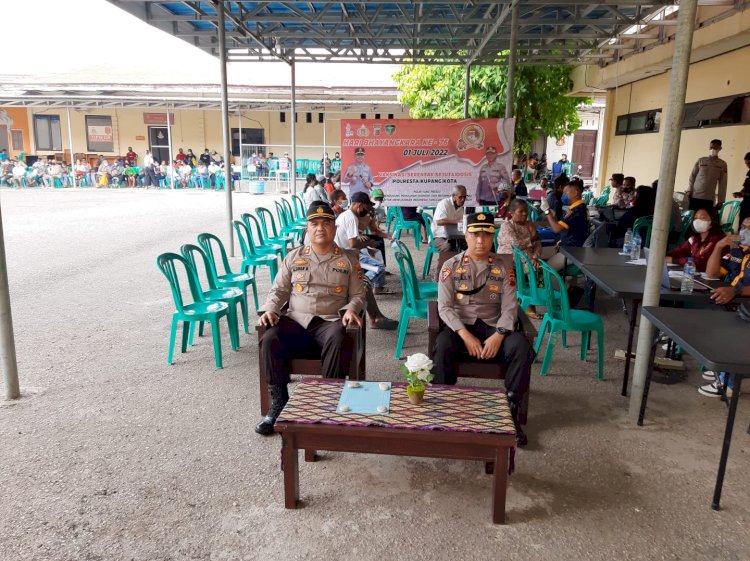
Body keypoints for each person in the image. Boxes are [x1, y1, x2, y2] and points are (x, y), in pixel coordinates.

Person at [255, 201, 366, 435]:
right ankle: (278, 405)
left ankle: (328, 402)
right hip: (297, 322)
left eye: (326, 223)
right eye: (314, 224)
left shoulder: (348, 260)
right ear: (307, 229)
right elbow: (279, 290)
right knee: (269, 337)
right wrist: (271, 309)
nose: (320, 228)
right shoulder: (294, 257)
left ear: (334, 229)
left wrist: (351, 308)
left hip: (329, 322)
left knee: (339, 335)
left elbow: (358, 294)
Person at [430, 212, 534, 446]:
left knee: (520, 346)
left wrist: (500, 334)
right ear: (466, 236)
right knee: (443, 344)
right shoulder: (451, 266)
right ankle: (440, 408)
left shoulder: (503, 268)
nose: (480, 240)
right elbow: (444, 308)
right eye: (475, 234)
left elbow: (510, 308)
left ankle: (511, 412)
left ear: (492, 237)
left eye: (486, 234)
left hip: (492, 327)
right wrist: (464, 335)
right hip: (461, 328)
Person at [697, 217, 750, 397]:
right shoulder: (738, 251)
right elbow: (712, 274)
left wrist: (735, 291)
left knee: (735, 326)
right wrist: (719, 246)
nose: (744, 231)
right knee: (706, 310)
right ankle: (722, 367)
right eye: (743, 227)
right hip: (735, 299)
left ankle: (728, 384)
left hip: (744, 303)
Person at [334, 192, 399, 328]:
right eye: (365, 207)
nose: (367, 210)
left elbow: (359, 237)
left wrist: (367, 242)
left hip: (346, 255)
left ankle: (375, 317)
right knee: (378, 269)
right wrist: (368, 244)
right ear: (359, 205)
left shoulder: (347, 215)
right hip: (345, 257)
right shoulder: (351, 217)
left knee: (365, 282)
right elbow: (353, 244)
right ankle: (363, 287)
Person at [541, 178, 589, 271]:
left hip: (571, 252)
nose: (563, 196)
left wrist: (547, 211)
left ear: (575, 193)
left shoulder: (577, 211)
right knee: (539, 254)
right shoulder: (579, 208)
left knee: (547, 269)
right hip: (568, 247)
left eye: (565, 193)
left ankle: (566, 286)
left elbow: (556, 229)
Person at [687, 139, 728, 211]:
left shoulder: (722, 164)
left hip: (708, 198)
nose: (713, 149)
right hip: (695, 196)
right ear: (709, 147)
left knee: (706, 219)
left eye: (715, 148)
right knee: (693, 218)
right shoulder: (701, 160)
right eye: (711, 147)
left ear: (720, 149)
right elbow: (692, 176)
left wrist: (721, 200)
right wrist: (689, 190)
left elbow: (723, 183)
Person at [432, 185, 467, 254]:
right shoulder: (444, 204)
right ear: (454, 196)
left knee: (472, 243)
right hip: (438, 236)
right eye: (460, 197)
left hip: (453, 237)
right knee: (448, 246)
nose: (463, 200)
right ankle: (444, 264)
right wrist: (458, 221)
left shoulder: (460, 208)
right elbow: (439, 222)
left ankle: (467, 264)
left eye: (465, 197)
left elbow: (460, 225)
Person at [732, 152, 750, 224]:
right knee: (742, 224)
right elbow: (745, 187)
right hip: (746, 203)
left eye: (749, 163)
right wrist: (740, 193)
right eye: (746, 163)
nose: (748, 165)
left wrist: (745, 193)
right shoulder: (749, 172)